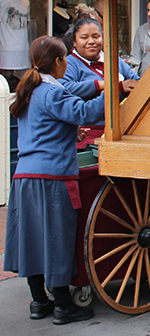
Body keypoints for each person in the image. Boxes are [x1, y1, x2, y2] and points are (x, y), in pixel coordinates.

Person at [4, 36, 104, 324]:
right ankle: (63, 305)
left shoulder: (29, 90)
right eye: (65, 60)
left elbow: (45, 127)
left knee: (31, 240)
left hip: (24, 176)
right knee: (57, 238)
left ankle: (39, 302)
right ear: (59, 62)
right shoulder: (52, 91)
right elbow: (86, 112)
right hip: (52, 178)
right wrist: (115, 90)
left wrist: (71, 133)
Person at [59, 14, 138, 148]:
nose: (91, 41)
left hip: (124, 131)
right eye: (84, 37)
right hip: (88, 135)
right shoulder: (70, 63)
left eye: (96, 36)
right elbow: (65, 87)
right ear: (74, 42)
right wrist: (103, 85)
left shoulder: (113, 59)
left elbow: (135, 80)